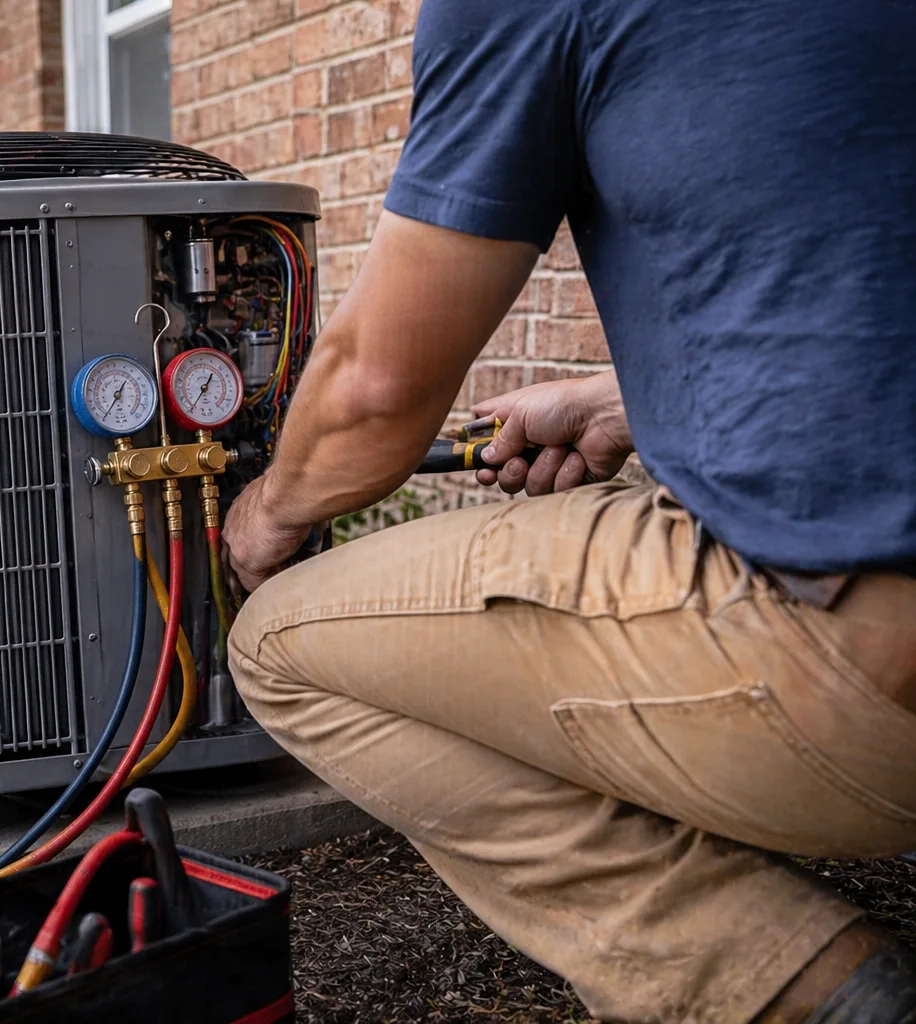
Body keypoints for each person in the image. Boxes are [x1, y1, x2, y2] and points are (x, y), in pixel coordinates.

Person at [220, 1, 916, 1021]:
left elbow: (374, 394)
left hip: (867, 669)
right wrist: (621, 402)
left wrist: (266, 515)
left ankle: (786, 983)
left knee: (277, 644)